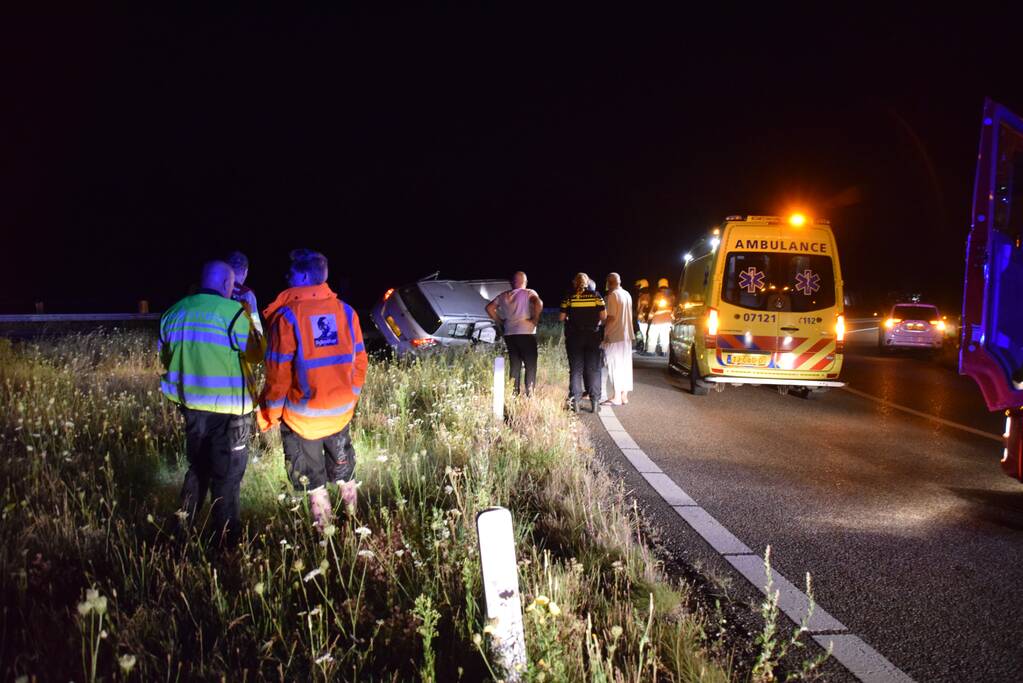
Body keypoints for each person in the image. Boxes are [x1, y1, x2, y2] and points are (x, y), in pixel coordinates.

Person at [257, 249, 368, 530]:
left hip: (302, 421)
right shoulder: (346, 312)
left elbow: (278, 375)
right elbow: (360, 362)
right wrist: (350, 396)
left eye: (292, 272)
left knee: (314, 485)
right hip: (339, 416)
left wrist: (269, 415)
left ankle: (326, 540)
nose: (287, 276)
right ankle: (357, 529)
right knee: (346, 475)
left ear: (305, 276)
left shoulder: (287, 316)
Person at [159, 260, 263, 547]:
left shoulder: (173, 313)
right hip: (230, 413)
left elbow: (167, 358)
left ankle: (180, 534)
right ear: (228, 284)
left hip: (192, 409)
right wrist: (251, 314)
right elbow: (257, 353)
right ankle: (227, 545)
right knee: (227, 478)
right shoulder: (233, 313)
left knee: (197, 470)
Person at [486, 271, 543, 396]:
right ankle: (530, 394)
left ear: (513, 282)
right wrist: (535, 319)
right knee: (530, 365)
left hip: (510, 334)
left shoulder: (503, 296)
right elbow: (539, 303)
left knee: (515, 365)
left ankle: (514, 395)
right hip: (526, 333)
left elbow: (489, 308)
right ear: (525, 282)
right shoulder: (529, 293)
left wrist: (500, 321)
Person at [560, 272, 606, 412]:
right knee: (594, 369)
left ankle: (575, 402)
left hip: (574, 336)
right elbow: (604, 316)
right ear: (588, 282)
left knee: (576, 370)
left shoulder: (569, 297)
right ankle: (595, 402)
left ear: (575, 282)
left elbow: (561, 317)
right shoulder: (596, 296)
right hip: (593, 336)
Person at [601, 273, 634, 405]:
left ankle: (616, 397)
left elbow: (611, 317)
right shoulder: (627, 294)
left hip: (615, 335)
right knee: (625, 365)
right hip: (627, 335)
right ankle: (624, 395)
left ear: (608, 283)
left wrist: (605, 334)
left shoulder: (613, 295)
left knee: (614, 365)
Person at [225, 251, 263, 336]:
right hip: (238, 339)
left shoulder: (220, 288)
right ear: (245, 272)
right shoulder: (248, 294)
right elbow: (257, 325)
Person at [645, 277, 675, 356]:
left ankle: (651, 351)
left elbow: (654, 307)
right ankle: (664, 352)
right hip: (668, 320)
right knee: (665, 337)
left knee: (652, 335)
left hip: (657, 320)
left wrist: (650, 315)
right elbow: (674, 308)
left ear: (659, 285)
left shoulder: (658, 295)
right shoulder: (672, 296)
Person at [634, 279, 652, 352]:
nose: (638, 287)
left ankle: (643, 346)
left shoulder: (644, 295)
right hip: (643, 317)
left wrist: (643, 316)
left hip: (643, 317)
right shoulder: (644, 294)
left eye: (639, 286)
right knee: (641, 332)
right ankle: (642, 345)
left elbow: (644, 307)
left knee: (642, 332)